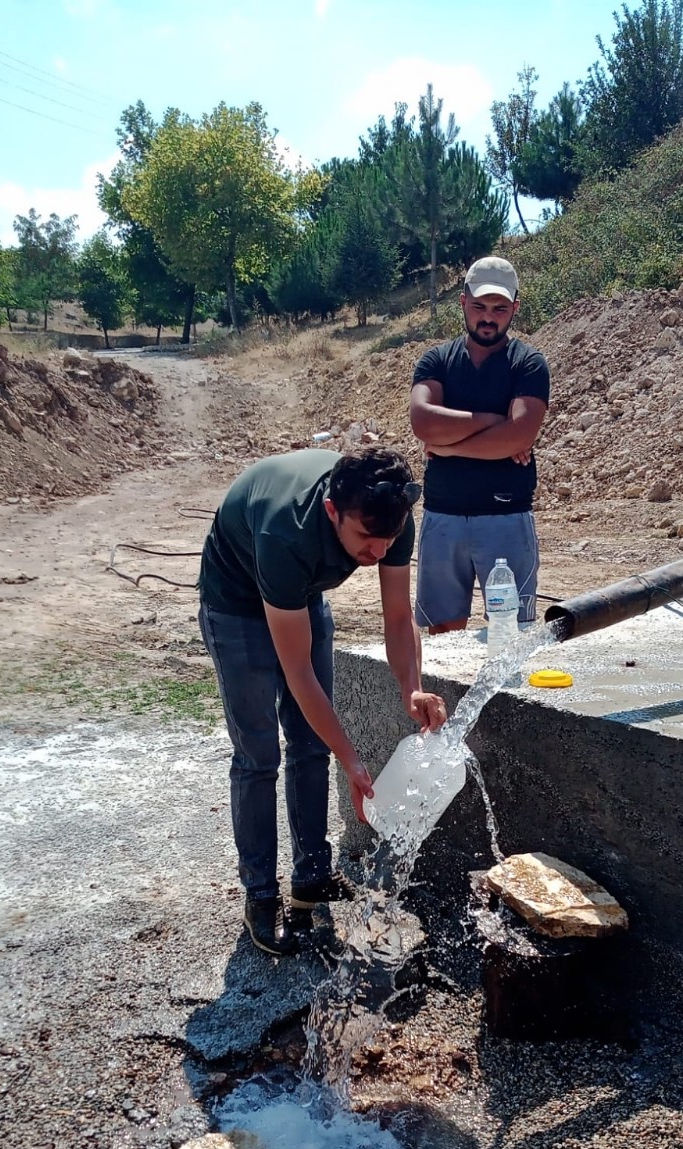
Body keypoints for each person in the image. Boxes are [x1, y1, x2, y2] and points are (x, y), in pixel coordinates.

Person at [198, 446, 447, 958]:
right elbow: (299, 674)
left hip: (300, 594)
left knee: (311, 742)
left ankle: (311, 874)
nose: (378, 553)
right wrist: (352, 760)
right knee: (258, 754)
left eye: (388, 541)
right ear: (333, 511)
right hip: (237, 602)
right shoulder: (284, 533)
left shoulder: (391, 514)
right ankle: (261, 895)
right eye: (365, 540)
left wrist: (412, 689)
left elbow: (399, 619)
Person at [409, 256, 551, 634]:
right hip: (444, 516)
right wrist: (492, 423)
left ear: (515, 308)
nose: (489, 317)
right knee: (442, 636)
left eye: (500, 308)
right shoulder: (436, 361)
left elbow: (519, 436)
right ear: (463, 302)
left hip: (505, 516)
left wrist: (449, 445)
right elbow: (423, 421)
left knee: (511, 637)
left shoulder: (528, 364)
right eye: (480, 307)